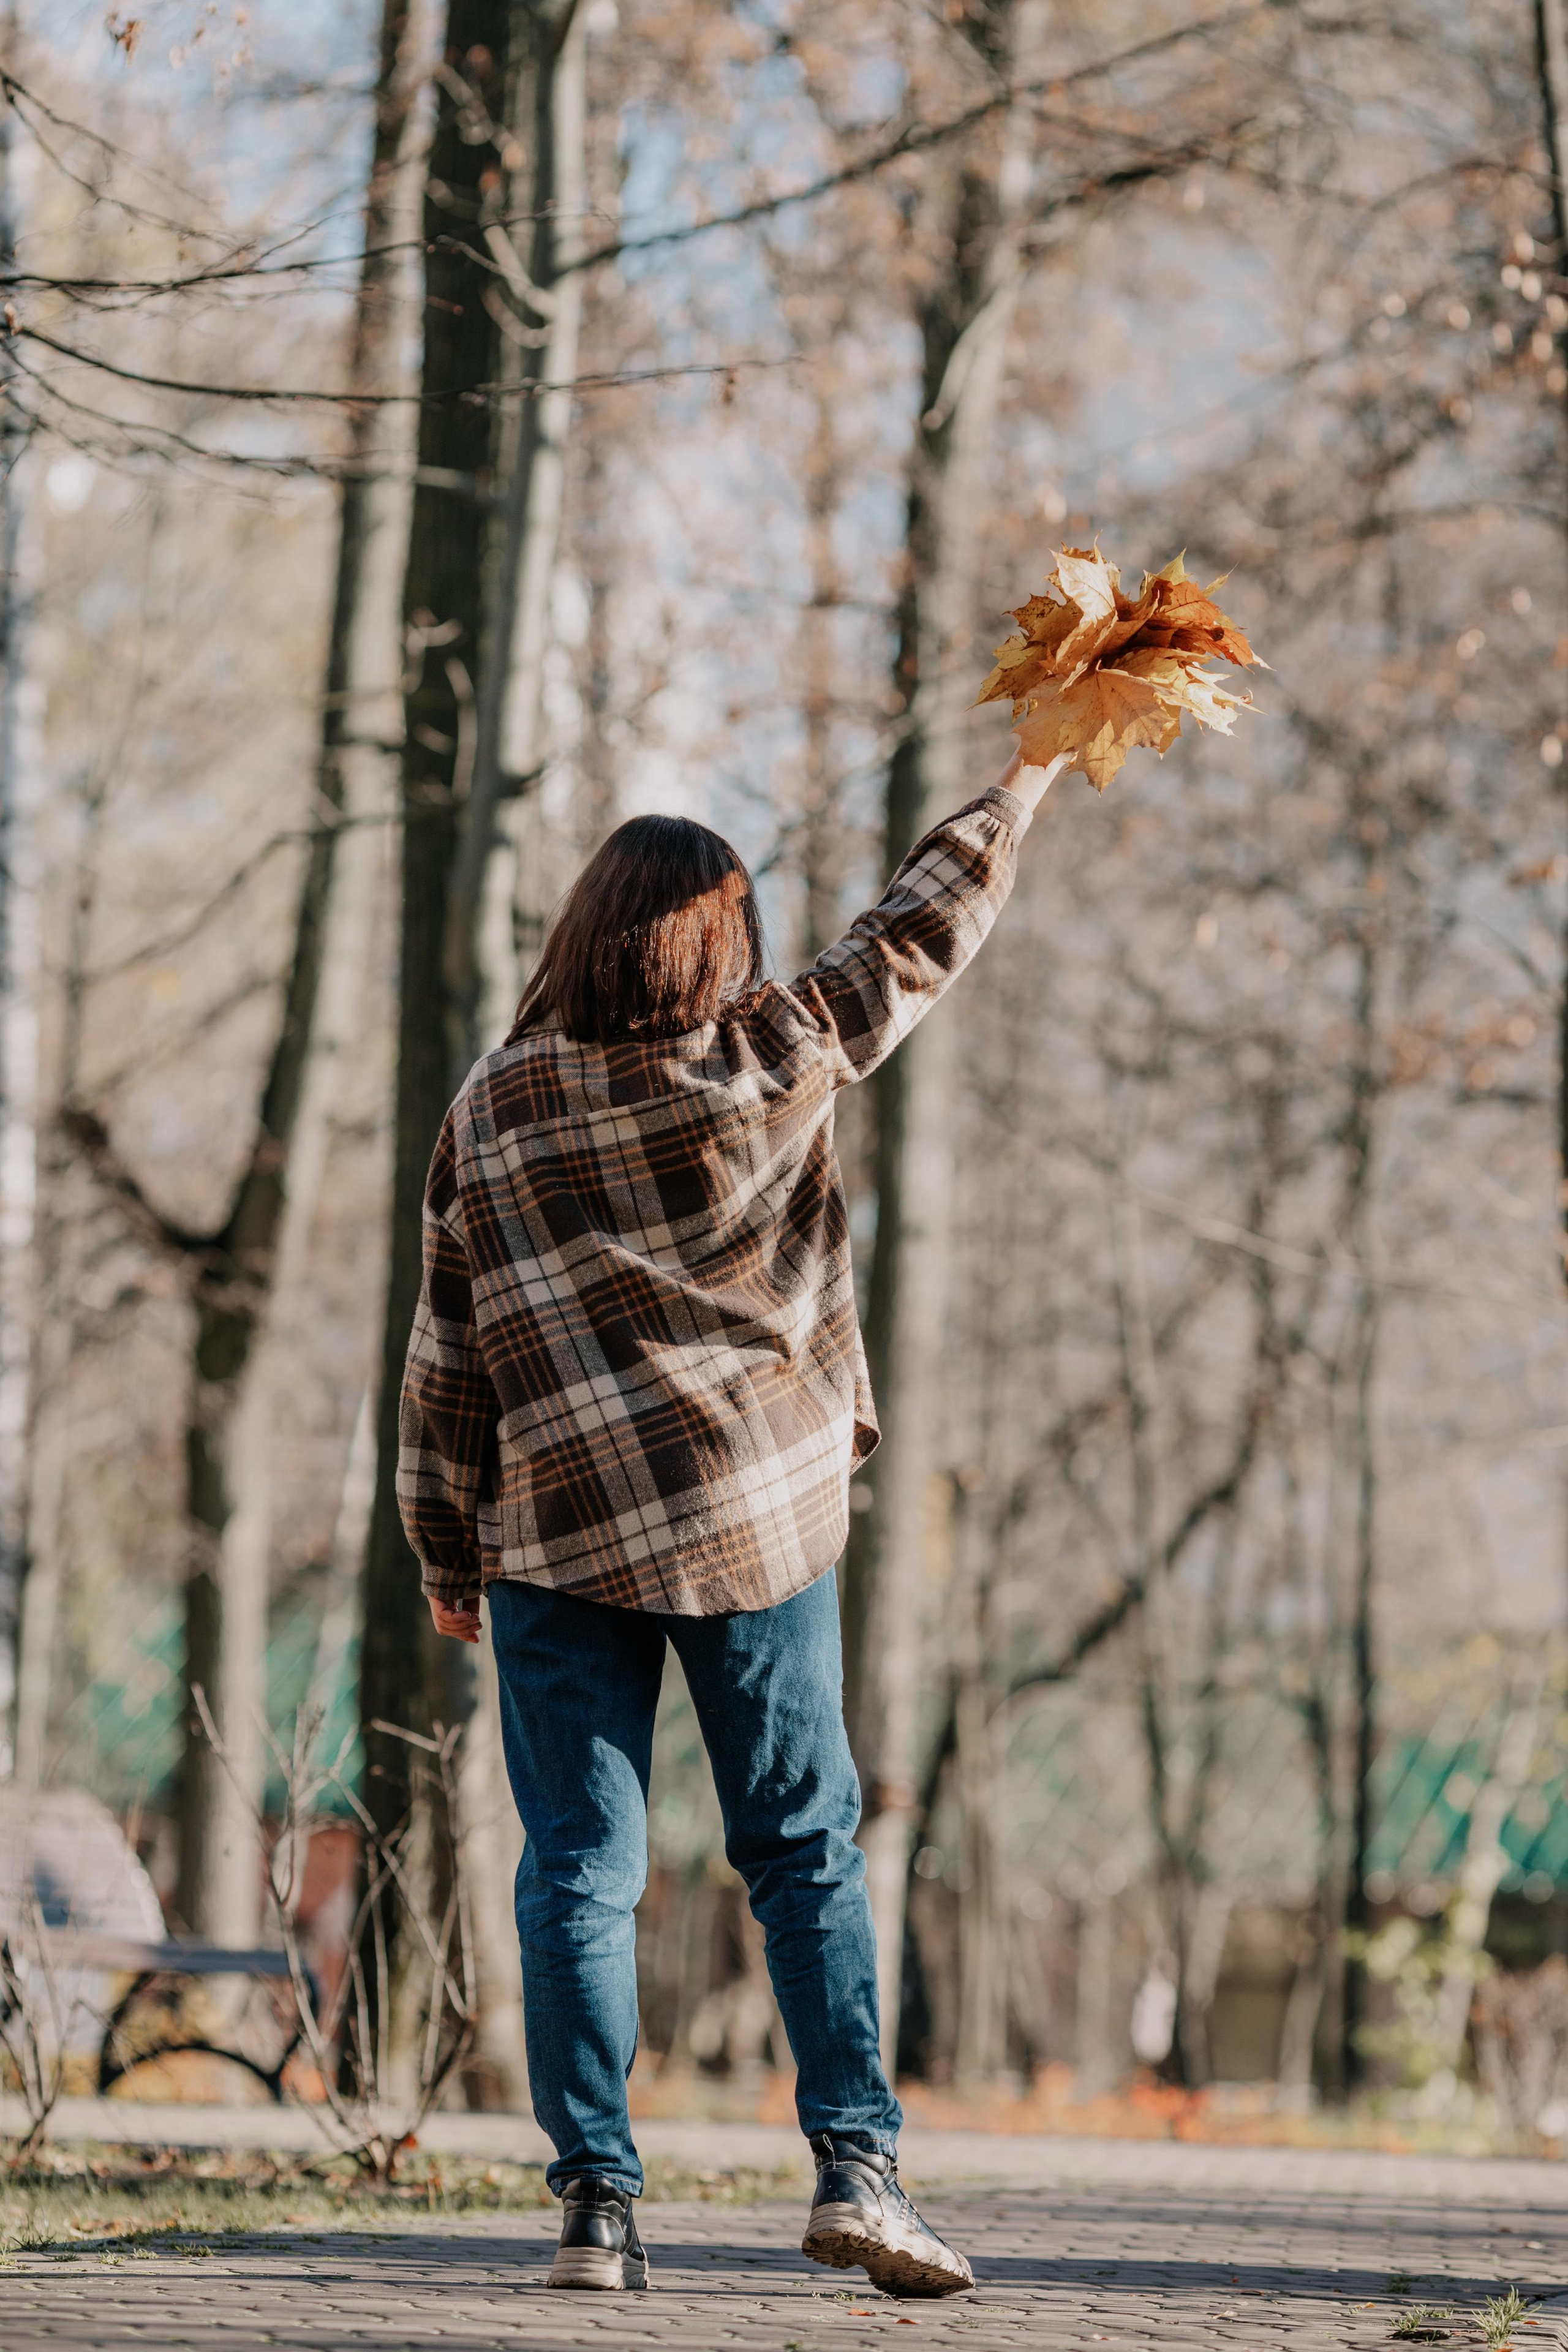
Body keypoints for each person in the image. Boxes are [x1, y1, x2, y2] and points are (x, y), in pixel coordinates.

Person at [398, 742, 1064, 2297]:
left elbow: (445, 1352)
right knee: (803, 1852)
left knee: (579, 1867)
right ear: (718, 945)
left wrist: (443, 1547)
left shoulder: (494, 1105)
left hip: (556, 1534)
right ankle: (857, 2172)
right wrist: (1024, 780)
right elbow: (913, 933)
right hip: (751, 1523)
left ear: (579, 936)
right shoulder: (768, 1055)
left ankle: (594, 2211)